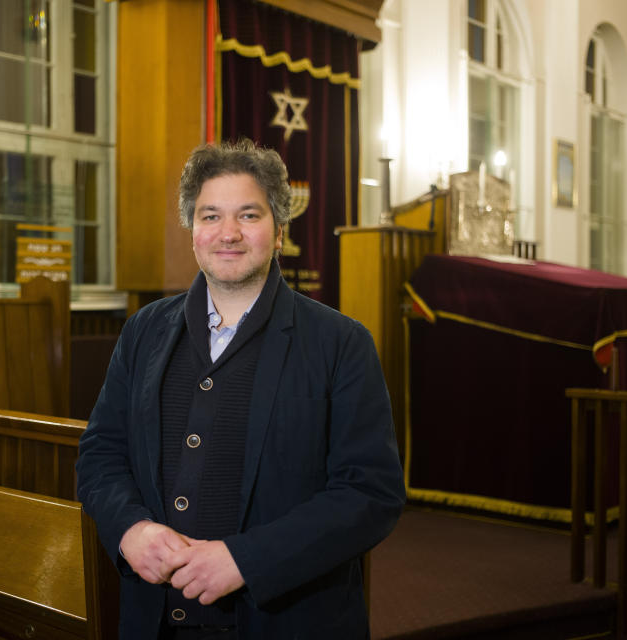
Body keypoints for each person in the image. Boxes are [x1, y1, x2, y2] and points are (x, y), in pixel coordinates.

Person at [75, 139, 405, 640]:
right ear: (193, 231)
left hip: (287, 623)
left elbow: (370, 494)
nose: (227, 233)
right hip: (154, 623)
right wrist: (129, 531)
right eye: (210, 216)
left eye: (248, 215)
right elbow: (100, 454)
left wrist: (246, 561)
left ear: (278, 232)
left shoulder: (341, 343)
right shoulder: (144, 331)